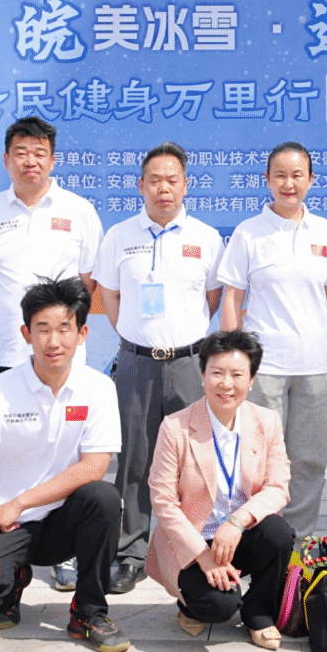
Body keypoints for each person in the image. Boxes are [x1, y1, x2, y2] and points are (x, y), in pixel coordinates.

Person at [0, 278, 128, 652]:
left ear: (82, 334)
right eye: (43, 329)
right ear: (26, 334)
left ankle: (89, 612)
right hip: (5, 522)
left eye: (64, 329)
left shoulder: (98, 388)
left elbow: (94, 467)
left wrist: (21, 502)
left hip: (60, 521)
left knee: (102, 498)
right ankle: (11, 584)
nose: (54, 341)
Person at [95, 142, 226, 591]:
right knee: (135, 459)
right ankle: (130, 551)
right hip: (137, 364)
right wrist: (136, 336)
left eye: (172, 180)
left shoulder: (206, 238)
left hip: (190, 363)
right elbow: (110, 296)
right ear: (141, 185)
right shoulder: (118, 236)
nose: (163, 188)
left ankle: (188, 549)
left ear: (186, 185)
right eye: (155, 180)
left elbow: (211, 299)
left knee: (194, 460)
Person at [217, 141, 327, 537]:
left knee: (309, 460)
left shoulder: (324, 231)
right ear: (268, 180)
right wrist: (233, 361)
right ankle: (262, 539)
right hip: (265, 365)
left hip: (317, 365)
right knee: (260, 460)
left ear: (311, 180)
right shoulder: (248, 233)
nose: (289, 184)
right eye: (280, 176)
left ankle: (298, 543)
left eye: (297, 175)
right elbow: (232, 297)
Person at [146, 330, 292, 649]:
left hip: (239, 533)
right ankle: (189, 604)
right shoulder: (175, 427)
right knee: (219, 606)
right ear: (203, 375)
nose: (226, 384)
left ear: (251, 380)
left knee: (279, 533)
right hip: (192, 538)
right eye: (217, 373)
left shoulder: (266, 421)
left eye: (237, 375)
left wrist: (236, 522)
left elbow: (278, 487)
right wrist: (202, 555)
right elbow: (163, 501)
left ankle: (259, 613)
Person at [0, 116, 102, 389]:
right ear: (6, 160)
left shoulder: (80, 211)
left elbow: (87, 284)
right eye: (21, 153)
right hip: (1, 351)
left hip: (61, 352)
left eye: (39, 153)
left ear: (52, 161)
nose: (30, 161)